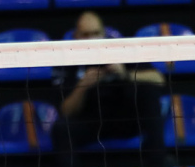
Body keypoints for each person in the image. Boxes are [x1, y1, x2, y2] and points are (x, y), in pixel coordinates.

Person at [58, 12, 167, 152]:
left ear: (104, 33)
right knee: (60, 129)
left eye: (96, 33)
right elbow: (65, 111)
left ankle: (158, 158)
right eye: (86, 34)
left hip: (126, 119)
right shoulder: (67, 61)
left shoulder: (122, 51)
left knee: (149, 91)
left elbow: (159, 79)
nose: (92, 39)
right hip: (91, 121)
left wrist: (125, 74)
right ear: (76, 36)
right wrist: (83, 85)